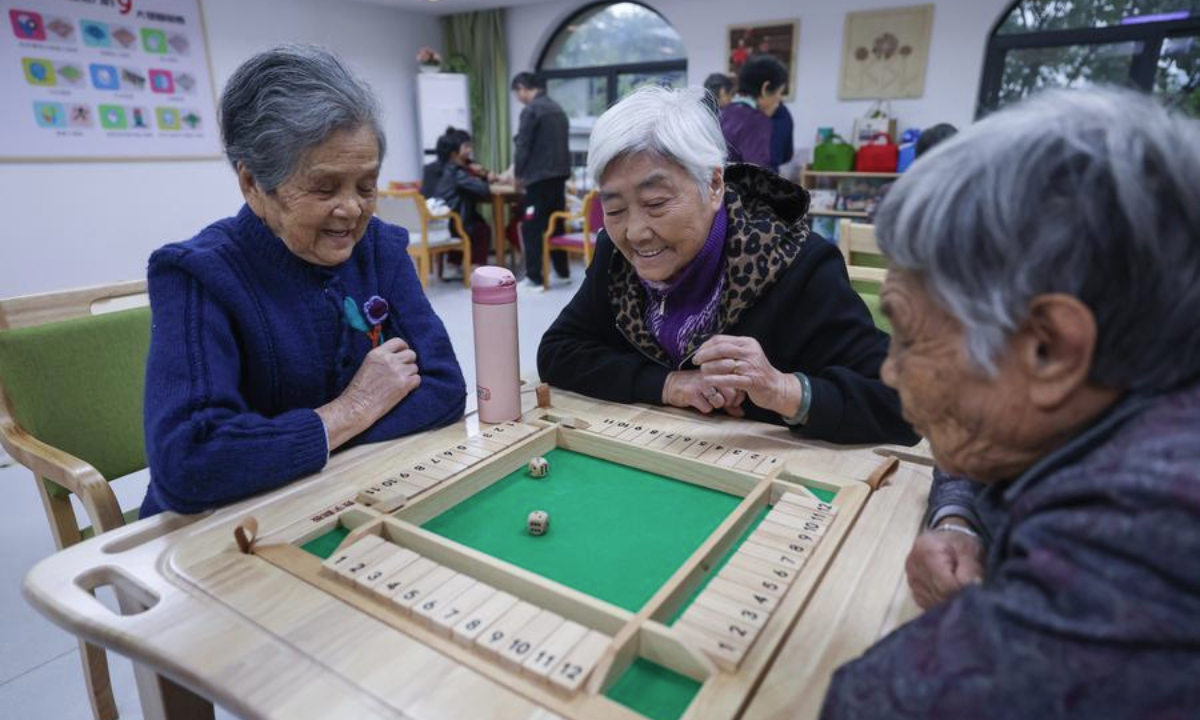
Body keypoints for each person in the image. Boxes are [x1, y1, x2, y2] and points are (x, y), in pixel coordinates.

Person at [820, 89, 1200, 718]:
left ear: (1049, 348)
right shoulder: (1114, 393)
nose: (890, 369)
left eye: (910, 333)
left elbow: (866, 705)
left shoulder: (1151, 531)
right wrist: (961, 522)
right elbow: (984, 434)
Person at [140, 45, 467, 516]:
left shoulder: (377, 248)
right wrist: (349, 411)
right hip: (220, 527)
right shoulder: (199, 275)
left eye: (366, 185)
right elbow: (190, 461)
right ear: (253, 184)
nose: (353, 209)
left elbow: (442, 387)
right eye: (324, 187)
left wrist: (285, 448)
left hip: (342, 498)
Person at [538, 86, 917, 446]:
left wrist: (784, 390)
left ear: (714, 185)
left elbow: (904, 402)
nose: (635, 233)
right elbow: (559, 351)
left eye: (655, 203)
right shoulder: (616, 256)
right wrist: (668, 384)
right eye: (615, 209)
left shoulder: (797, 264)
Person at [511, 71, 571, 292]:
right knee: (556, 225)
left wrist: (517, 175)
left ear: (522, 87)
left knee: (531, 227)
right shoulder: (557, 109)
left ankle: (535, 278)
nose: (519, 98)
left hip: (537, 179)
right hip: (559, 177)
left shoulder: (532, 110)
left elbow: (523, 146)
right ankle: (562, 272)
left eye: (518, 93)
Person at [434, 126, 496, 274]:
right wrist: (486, 177)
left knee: (476, 221)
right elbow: (483, 189)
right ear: (454, 153)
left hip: (449, 219)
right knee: (481, 228)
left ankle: (453, 263)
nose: (470, 150)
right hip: (454, 221)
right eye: (466, 147)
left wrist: (479, 173)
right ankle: (476, 266)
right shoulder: (457, 172)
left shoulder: (451, 169)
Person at [721, 55, 787, 167]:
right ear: (765, 88)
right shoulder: (757, 122)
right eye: (780, 92)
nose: (780, 100)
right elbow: (756, 177)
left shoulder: (724, 113)